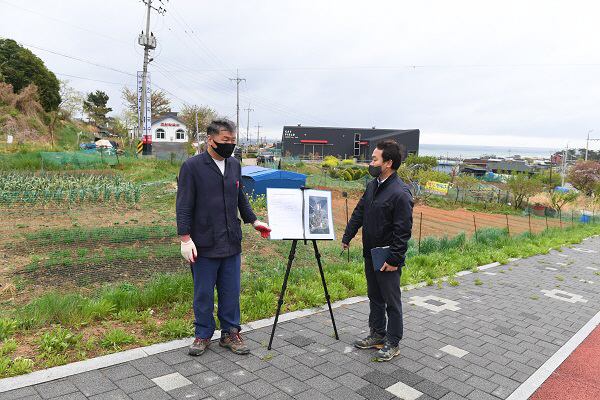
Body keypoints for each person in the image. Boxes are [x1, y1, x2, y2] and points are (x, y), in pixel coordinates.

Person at [176, 119, 271, 357]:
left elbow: (240, 197)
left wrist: (254, 221)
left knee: (231, 290)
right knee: (204, 292)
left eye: (232, 140)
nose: (229, 144)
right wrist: (185, 238)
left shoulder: (234, 165)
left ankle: (230, 333)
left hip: (230, 239)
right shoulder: (193, 167)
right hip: (204, 241)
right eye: (224, 140)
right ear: (210, 139)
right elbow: (184, 205)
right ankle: (203, 334)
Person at [341, 140, 413, 361]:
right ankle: (378, 334)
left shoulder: (400, 193)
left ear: (388, 163)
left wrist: (394, 259)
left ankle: (393, 341)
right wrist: (348, 236)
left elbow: (403, 232)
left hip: (387, 256)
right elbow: (360, 211)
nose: (370, 162)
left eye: (374, 159)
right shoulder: (373, 185)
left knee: (392, 300)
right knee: (374, 296)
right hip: (370, 251)